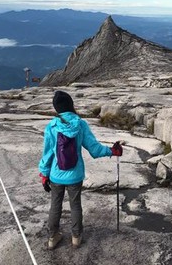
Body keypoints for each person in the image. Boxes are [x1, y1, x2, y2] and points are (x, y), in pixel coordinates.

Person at [38, 90, 123, 250]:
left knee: (55, 206)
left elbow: (48, 153)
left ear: (57, 108)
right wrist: (112, 151)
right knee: (75, 205)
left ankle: (52, 238)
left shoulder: (52, 126)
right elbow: (94, 149)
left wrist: (44, 174)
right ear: (71, 105)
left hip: (56, 175)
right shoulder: (80, 124)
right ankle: (76, 237)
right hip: (75, 175)